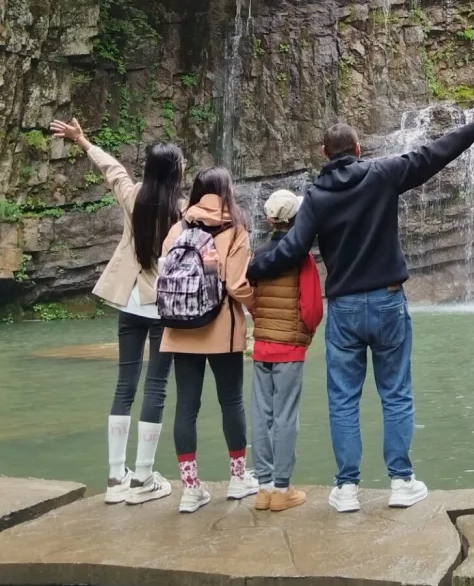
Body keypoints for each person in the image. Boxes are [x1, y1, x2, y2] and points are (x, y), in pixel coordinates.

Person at [247, 100, 474, 514]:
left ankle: (346, 489)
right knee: (396, 393)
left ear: (324, 154)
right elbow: (430, 157)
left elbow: (293, 249)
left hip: (345, 308)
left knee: (344, 399)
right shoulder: (381, 175)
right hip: (387, 300)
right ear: (360, 148)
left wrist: (252, 267)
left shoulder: (315, 196)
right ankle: (401, 481)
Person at [50, 116, 183, 506]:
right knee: (155, 387)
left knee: (125, 386)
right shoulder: (181, 209)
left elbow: (113, 169)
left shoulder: (133, 195)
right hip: (162, 306)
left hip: (129, 302)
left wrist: (82, 141)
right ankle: (143, 478)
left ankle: (114, 477)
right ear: (175, 171)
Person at [160, 167, 256, 514]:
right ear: (226, 191)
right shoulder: (236, 230)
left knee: (186, 406)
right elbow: (236, 284)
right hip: (221, 330)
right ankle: (238, 478)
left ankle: (190, 489)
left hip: (180, 329)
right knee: (231, 402)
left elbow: (164, 274)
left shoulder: (178, 227)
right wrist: (257, 308)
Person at [250, 189, 324, 513]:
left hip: (262, 346)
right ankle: (282, 490)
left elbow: (252, 301)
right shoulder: (302, 258)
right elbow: (312, 307)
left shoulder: (258, 256)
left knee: (261, 416)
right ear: (297, 219)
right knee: (286, 418)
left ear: (269, 219)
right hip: (289, 348)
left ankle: (263, 489)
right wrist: (305, 334)